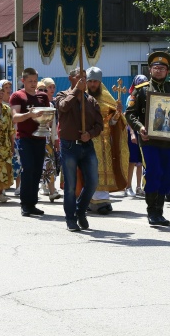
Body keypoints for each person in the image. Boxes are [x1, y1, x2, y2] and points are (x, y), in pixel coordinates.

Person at [125, 51, 170, 226]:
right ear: (150, 70)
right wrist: (140, 128)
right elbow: (130, 114)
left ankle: (160, 211)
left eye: (162, 68)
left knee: (167, 175)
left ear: (167, 71)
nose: (159, 70)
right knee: (154, 172)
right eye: (156, 67)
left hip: (169, 140)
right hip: (148, 141)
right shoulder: (141, 90)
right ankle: (151, 211)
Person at [56, 69, 103, 231]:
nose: (83, 80)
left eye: (85, 78)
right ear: (71, 78)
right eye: (79, 78)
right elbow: (63, 107)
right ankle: (70, 219)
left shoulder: (90, 100)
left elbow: (99, 125)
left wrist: (89, 134)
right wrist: (76, 90)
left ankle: (80, 209)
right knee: (70, 185)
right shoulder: (62, 95)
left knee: (93, 181)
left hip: (86, 145)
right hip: (69, 145)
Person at [85, 67, 128, 214]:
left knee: (105, 169)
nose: (92, 84)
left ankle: (103, 200)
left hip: (104, 141)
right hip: (88, 139)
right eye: (90, 81)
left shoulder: (107, 98)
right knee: (90, 169)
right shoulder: (81, 96)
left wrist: (117, 114)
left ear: (100, 82)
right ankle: (90, 200)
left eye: (95, 81)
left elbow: (113, 123)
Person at [9, 67, 48, 217]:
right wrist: (29, 114)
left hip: (41, 137)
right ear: (23, 81)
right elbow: (15, 117)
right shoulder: (18, 96)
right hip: (25, 137)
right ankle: (25, 203)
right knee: (28, 168)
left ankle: (33, 203)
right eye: (30, 81)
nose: (33, 84)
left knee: (38, 170)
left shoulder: (43, 97)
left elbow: (47, 116)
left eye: (35, 81)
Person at [37, 78, 61, 202]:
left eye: (44, 90)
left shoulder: (50, 105)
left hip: (47, 139)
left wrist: (55, 139)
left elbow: (54, 124)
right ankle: (37, 189)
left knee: (50, 164)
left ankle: (52, 191)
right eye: (40, 89)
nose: (42, 92)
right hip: (34, 139)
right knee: (35, 166)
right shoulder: (31, 104)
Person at [124, 75, 147, 197]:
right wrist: (132, 133)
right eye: (141, 83)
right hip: (133, 132)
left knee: (140, 162)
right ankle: (128, 186)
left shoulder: (148, 98)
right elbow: (129, 116)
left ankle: (139, 186)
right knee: (132, 161)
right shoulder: (131, 97)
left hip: (143, 132)